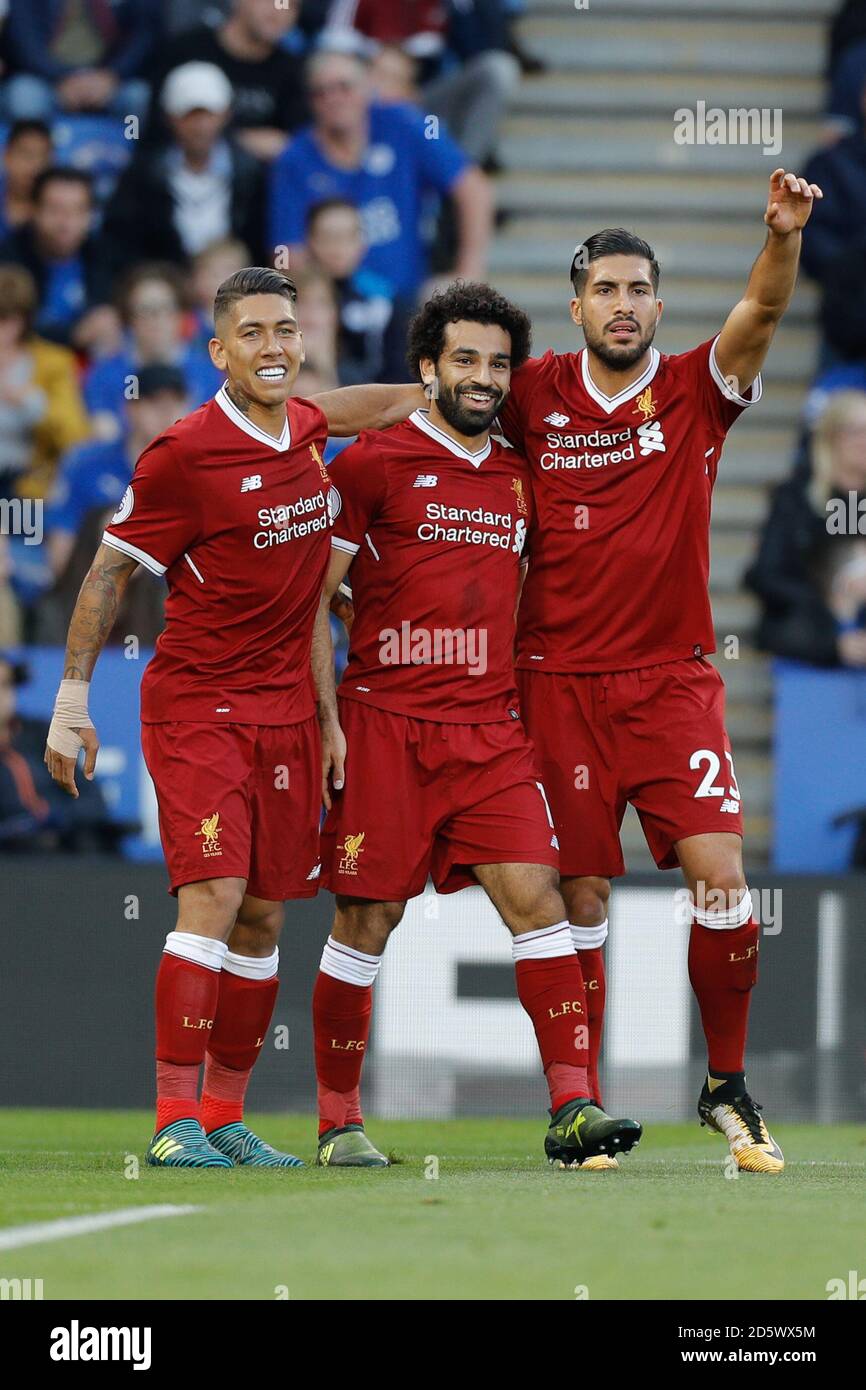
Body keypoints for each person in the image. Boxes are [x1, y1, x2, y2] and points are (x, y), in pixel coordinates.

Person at [333, 168, 824, 1174]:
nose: (623, 303)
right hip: (551, 685)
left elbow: (765, 306)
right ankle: (582, 1107)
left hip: (670, 680)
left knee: (720, 874)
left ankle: (724, 1082)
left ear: (656, 302)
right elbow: (416, 402)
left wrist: (779, 236)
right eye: (604, 288)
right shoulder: (533, 393)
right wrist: (292, 420)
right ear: (576, 305)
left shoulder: (694, 389)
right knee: (580, 898)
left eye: (638, 288)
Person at [312, 281, 641, 1169]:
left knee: (541, 903)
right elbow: (314, 598)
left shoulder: (518, 475)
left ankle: (574, 1107)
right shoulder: (371, 464)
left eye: (498, 364)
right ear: (428, 368)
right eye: (465, 359)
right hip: (384, 724)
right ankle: (339, 1119)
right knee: (367, 919)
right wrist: (329, 718)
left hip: (489, 733)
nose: (484, 378)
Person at [43, 267, 336, 1170]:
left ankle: (223, 1117)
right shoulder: (183, 452)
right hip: (200, 707)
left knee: (264, 918)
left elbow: (352, 408)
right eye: (253, 332)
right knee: (211, 898)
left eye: (285, 329)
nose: (274, 346)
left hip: (286, 714)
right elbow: (107, 572)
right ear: (219, 350)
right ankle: (173, 1121)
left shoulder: (310, 427)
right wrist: (70, 703)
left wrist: (436, 389)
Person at [267, 49, 493, 298]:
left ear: (366, 89)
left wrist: (469, 270)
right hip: (339, 305)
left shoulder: (402, 123)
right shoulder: (294, 159)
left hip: (411, 300)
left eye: (344, 87)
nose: (333, 98)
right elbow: (287, 252)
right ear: (310, 102)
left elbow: (473, 188)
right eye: (320, 92)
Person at [103, 62, 266, 272]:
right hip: (167, 286)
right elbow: (120, 242)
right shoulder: (143, 174)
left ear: (226, 115)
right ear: (169, 118)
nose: (200, 126)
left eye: (208, 115)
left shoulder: (252, 173)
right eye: (189, 115)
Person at [746, 389, 866, 669]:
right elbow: (767, 574)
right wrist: (831, 610)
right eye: (854, 431)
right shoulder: (796, 499)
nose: (863, 441)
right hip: (810, 645)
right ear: (830, 438)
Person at [147, 0, 309, 162]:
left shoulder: (293, 70)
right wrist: (240, 142)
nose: (280, 11)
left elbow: (295, 144)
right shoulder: (188, 50)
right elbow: (157, 127)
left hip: (258, 180)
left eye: (291, 5)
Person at [83, 263, 222, 440]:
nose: (155, 321)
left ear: (180, 316)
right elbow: (104, 432)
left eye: (164, 309)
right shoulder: (105, 375)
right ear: (129, 319)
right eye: (145, 311)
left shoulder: (207, 372)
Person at [0, 167, 117, 355]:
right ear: (33, 210)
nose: (66, 223)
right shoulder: (7, 261)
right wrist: (72, 335)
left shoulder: (104, 255)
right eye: (55, 210)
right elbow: (8, 326)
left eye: (78, 211)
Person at [0, 262, 90, 504]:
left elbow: (76, 437)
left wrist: (34, 404)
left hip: (26, 489)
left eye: (6, 320)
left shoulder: (54, 363)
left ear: (22, 320)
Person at [305, 197, 412, 384]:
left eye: (349, 236)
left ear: (363, 243)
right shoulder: (289, 298)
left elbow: (400, 374)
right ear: (311, 241)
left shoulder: (388, 299)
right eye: (329, 236)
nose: (338, 246)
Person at [1, 0, 155, 122]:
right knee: (25, 97)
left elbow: (143, 34)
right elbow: (25, 40)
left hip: (109, 78)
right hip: (48, 78)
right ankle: (38, 159)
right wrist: (61, 77)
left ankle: (132, 152)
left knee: (137, 97)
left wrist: (113, 74)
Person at [0, 120, 53, 241]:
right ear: (6, 156)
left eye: (43, 157)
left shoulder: (58, 209)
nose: (35, 165)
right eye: (26, 155)